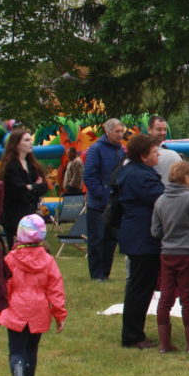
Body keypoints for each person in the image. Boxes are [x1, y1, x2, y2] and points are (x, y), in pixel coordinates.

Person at [0, 215, 66, 376]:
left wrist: (0, 310)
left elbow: (5, 286)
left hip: (16, 310)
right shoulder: (48, 260)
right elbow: (55, 289)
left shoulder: (11, 258)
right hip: (39, 310)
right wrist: (59, 314)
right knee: (31, 349)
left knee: (16, 350)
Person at [117, 133, 166, 348]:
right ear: (144, 156)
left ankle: (134, 332)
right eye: (155, 152)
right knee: (140, 288)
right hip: (143, 237)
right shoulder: (142, 176)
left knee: (139, 286)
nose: (159, 155)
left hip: (136, 234)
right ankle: (133, 336)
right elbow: (162, 200)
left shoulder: (130, 171)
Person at [151, 160, 189, 353]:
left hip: (167, 253)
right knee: (188, 298)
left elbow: (155, 231)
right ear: (185, 177)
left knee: (165, 297)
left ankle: (164, 344)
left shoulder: (160, 200)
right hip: (188, 252)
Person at [83, 118, 125, 281]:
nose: (120, 135)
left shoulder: (121, 150)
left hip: (115, 203)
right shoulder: (96, 149)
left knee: (111, 239)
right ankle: (96, 274)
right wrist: (101, 194)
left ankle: (105, 273)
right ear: (107, 132)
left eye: (122, 131)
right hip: (98, 204)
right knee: (97, 239)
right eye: (117, 131)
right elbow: (89, 175)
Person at [0, 130, 49, 249]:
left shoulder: (32, 165)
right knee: (18, 252)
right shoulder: (11, 167)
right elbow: (20, 193)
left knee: (36, 251)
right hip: (15, 218)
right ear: (16, 144)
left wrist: (30, 187)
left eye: (30, 140)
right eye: (26, 140)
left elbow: (44, 186)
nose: (30, 143)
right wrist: (34, 186)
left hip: (33, 216)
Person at [148, 115, 182, 185]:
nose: (163, 133)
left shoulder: (166, 149)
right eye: (159, 129)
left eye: (165, 130)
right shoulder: (143, 151)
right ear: (149, 130)